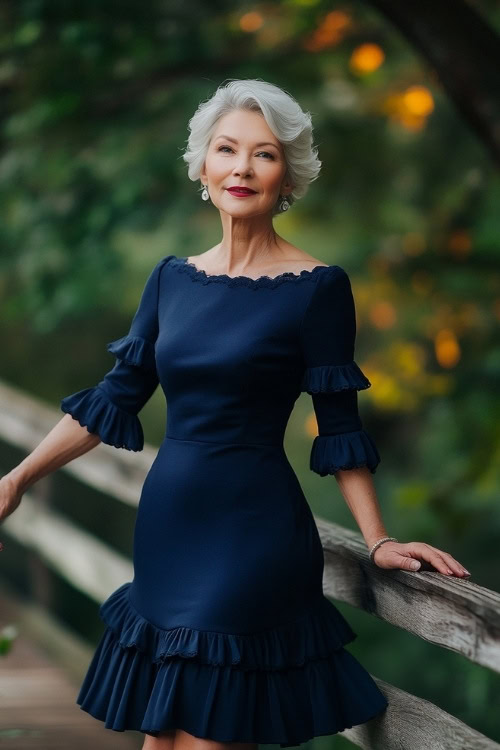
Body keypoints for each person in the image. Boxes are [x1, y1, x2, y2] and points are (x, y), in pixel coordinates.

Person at [0, 78, 470, 750]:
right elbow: (115, 396)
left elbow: (339, 425)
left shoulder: (319, 289)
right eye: (227, 149)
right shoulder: (169, 279)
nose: (243, 168)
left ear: (289, 177)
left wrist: (377, 540)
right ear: (203, 165)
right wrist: (17, 479)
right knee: (161, 738)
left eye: (264, 154)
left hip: (255, 537)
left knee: (208, 735)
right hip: (169, 530)